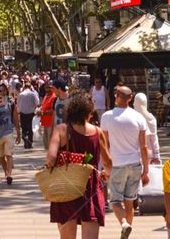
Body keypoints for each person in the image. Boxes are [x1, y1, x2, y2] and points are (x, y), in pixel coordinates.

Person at [45, 90, 112, 239]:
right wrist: (106, 174)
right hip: (90, 186)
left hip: (66, 186)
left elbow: (50, 158)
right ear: (89, 112)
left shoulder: (61, 130)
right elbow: (107, 161)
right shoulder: (98, 132)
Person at [101, 86, 149, 239]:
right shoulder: (139, 117)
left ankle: (123, 224)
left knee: (115, 201)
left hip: (117, 164)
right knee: (130, 200)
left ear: (116, 96)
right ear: (131, 98)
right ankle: (127, 230)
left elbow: (104, 144)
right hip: (135, 164)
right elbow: (144, 146)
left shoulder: (107, 116)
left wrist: (105, 167)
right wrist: (146, 169)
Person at [0, 84, 21, 185]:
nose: (0, 93)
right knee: (1, 157)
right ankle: (6, 173)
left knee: (9, 154)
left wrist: (18, 132)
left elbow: (15, 118)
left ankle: (9, 175)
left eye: (2, 91)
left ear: (6, 92)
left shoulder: (11, 103)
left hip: (8, 132)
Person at [133, 93, 161, 164]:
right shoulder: (150, 118)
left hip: (133, 155)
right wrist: (156, 155)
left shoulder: (131, 118)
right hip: (148, 154)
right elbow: (154, 138)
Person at [18, 80, 39, 149]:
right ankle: (29, 143)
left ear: (24, 87)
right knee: (30, 129)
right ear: (30, 87)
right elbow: (37, 103)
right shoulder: (33, 94)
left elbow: (18, 104)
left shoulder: (21, 94)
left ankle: (25, 139)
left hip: (23, 114)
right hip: (31, 114)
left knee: (24, 128)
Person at [37, 83, 57, 151]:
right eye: (46, 88)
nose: (47, 89)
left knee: (50, 141)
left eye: (49, 87)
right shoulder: (46, 95)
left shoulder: (53, 97)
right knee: (46, 143)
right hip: (44, 122)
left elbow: (52, 111)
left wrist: (42, 112)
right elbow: (43, 106)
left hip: (50, 122)